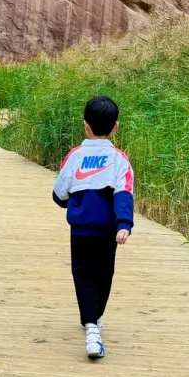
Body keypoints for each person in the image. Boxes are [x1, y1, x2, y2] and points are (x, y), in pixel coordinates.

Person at [52, 94, 133, 360]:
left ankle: (91, 327)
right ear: (115, 127)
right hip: (108, 231)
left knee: (84, 275)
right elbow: (124, 193)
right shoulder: (119, 159)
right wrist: (124, 224)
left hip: (81, 230)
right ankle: (94, 319)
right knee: (104, 274)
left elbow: (59, 193)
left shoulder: (75, 156)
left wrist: (73, 202)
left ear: (85, 125)